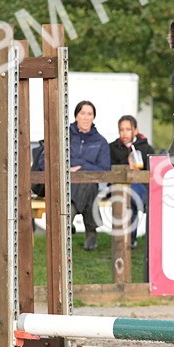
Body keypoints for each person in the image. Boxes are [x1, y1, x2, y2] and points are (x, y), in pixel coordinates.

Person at [108, 114, 155, 249]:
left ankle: (133, 239)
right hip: (118, 188)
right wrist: (128, 167)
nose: (124, 133)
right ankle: (131, 237)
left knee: (133, 198)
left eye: (128, 129)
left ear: (135, 130)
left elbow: (151, 172)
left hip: (142, 187)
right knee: (130, 196)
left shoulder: (146, 148)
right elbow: (109, 169)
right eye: (121, 129)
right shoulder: (112, 148)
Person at [70, 100, 110, 251]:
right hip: (64, 184)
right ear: (76, 116)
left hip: (90, 183)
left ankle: (68, 218)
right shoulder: (64, 136)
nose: (86, 117)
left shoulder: (100, 141)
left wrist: (82, 167)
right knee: (86, 187)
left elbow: (104, 170)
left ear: (94, 117)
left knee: (87, 183)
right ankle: (91, 232)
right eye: (83, 113)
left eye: (90, 114)